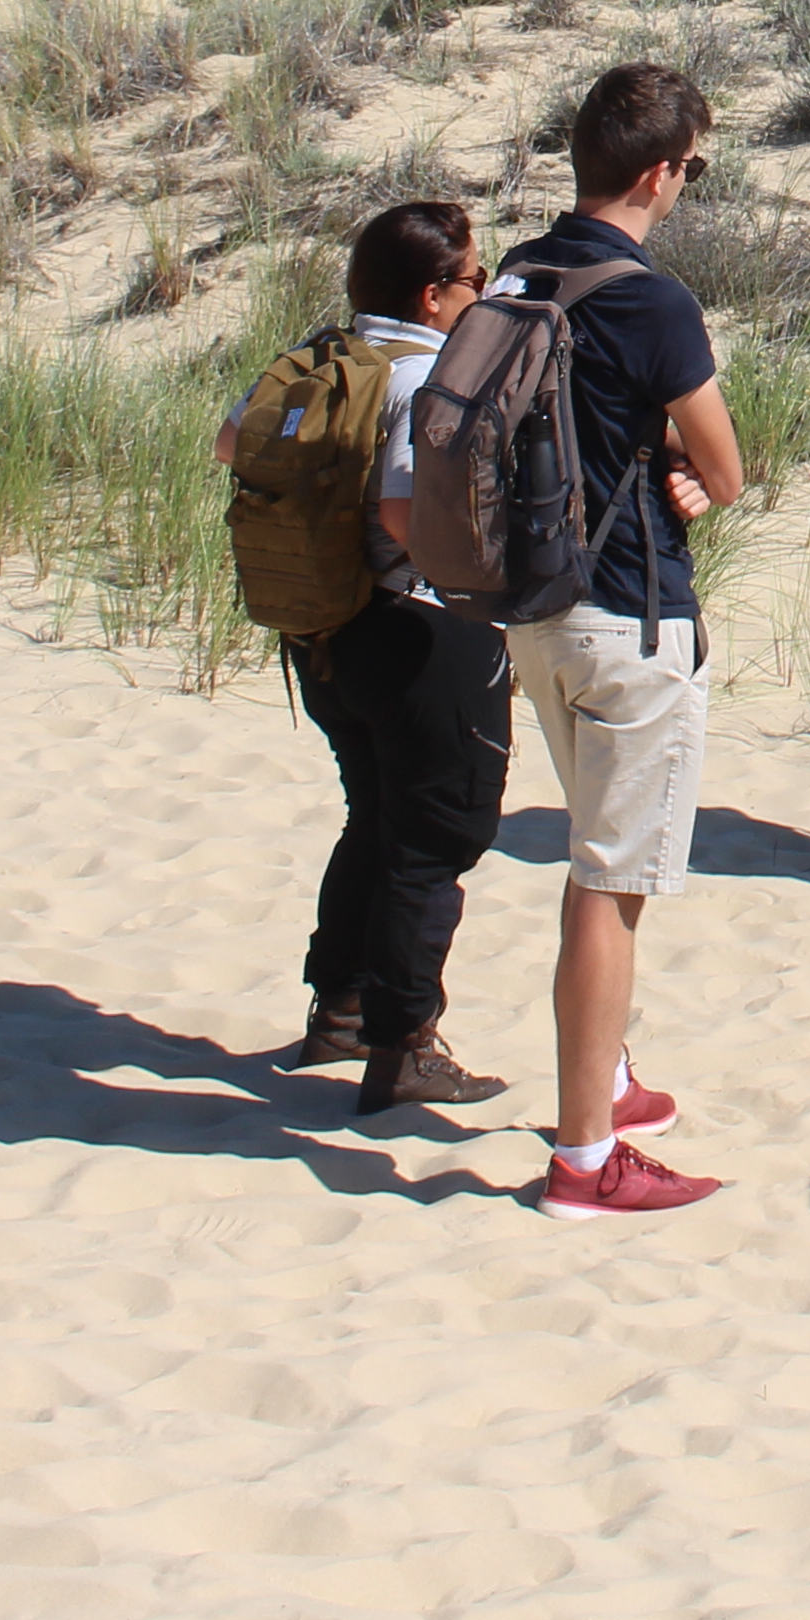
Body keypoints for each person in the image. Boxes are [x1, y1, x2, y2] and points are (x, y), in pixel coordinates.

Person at [495, 62, 747, 1216]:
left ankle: (615, 1078)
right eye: (692, 168)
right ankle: (586, 1158)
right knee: (609, 885)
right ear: (658, 174)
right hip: (629, 615)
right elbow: (729, 469)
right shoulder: (652, 302)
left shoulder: (519, 270)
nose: (689, 185)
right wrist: (687, 475)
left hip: (535, 612)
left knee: (600, 858)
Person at [254, 198, 514, 1115]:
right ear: (434, 293)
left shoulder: (319, 359)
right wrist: (492, 579)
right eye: (475, 277)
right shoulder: (422, 376)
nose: (481, 291)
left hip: (325, 629)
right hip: (419, 626)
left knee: (374, 814)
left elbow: (229, 446)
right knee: (436, 836)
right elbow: (408, 511)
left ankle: (343, 1008)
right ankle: (405, 1046)